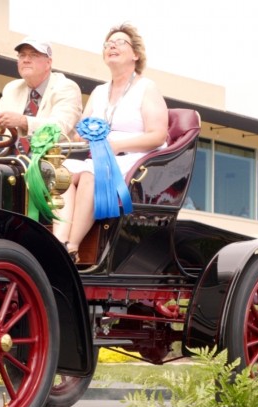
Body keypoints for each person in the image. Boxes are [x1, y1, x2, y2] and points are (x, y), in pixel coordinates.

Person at [56, 24, 169, 262]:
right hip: (96, 156)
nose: (112, 46)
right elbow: (80, 133)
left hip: (132, 157)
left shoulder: (146, 87)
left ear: (135, 54)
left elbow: (158, 135)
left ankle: (72, 248)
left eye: (119, 42)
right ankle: (58, 241)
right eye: (108, 44)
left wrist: (116, 146)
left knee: (90, 175)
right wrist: (82, 138)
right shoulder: (98, 92)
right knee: (60, 173)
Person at [0, 37, 82, 155]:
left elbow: (59, 128)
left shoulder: (66, 87)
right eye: (22, 55)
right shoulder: (12, 88)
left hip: (53, 166)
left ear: (48, 63)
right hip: (13, 163)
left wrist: (22, 121)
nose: (26, 60)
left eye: (33, 55)